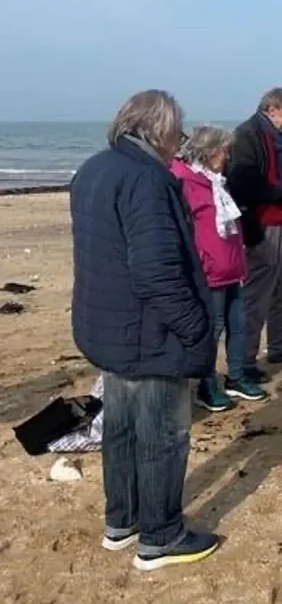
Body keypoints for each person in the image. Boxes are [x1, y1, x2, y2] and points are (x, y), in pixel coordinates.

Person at [69, 89, 220, 569]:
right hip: (147, 331)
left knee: (122, 429)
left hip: (108, 325)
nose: (182, 141)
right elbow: (156, 271)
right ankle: (160, 537)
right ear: (159, 129)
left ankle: (123, 521)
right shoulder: (146, 179)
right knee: (161, 434)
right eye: (179, 132)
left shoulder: (95, 169)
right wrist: (196, 327)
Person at [172, 125, 269, 409]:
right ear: (211, 151)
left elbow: (229, 226)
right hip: (208, 272)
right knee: (211, 330)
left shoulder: (218, 182)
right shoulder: (186, 182)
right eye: (225, 150)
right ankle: (207, 383)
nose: (228, 156)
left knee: (237, 325)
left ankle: (236, 377)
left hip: (231, 267)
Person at [226, 88, 282, 383]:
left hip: (280, 218)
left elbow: (275, 176)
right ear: (272, 108)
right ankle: (243, 364)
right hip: (262, 223)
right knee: (256, 295)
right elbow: (242, 183)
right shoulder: (248, 135)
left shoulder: (275, 136)